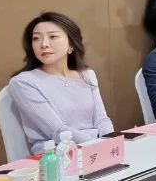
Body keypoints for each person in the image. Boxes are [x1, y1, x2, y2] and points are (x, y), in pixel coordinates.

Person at [7, 12, 113, 154]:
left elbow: (102, 120)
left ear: (71, 43)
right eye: (36, 38)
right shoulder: (22, 82)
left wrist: (111, 142)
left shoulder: (87, 74)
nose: (44, 44)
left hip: (97, 150)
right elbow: (58, 131)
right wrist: (99, 148)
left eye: (53, 37)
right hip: (57, 156)